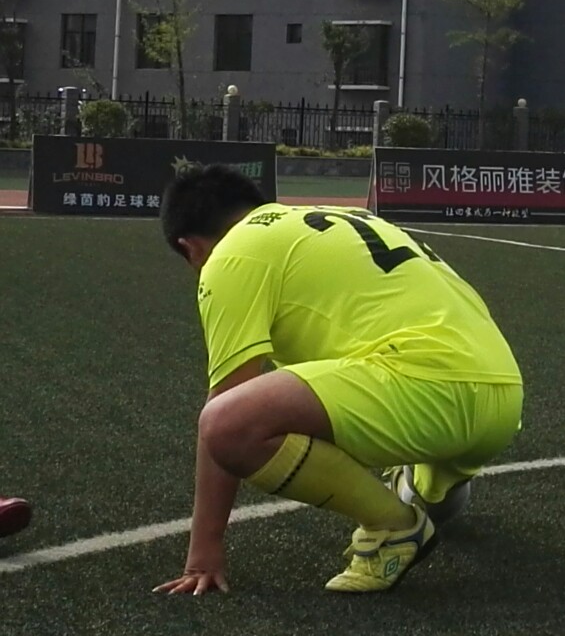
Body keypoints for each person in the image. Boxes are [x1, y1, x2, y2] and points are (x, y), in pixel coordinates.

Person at [153, 165, 524, 595]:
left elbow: (225, 406)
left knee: (227, 424)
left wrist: (203, 552)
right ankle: (429, 488)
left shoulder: (233, 254)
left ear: (191, 248)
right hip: (502, 399)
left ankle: (393, 527)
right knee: (431, 496)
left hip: (428, 390)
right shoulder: (339, 218)